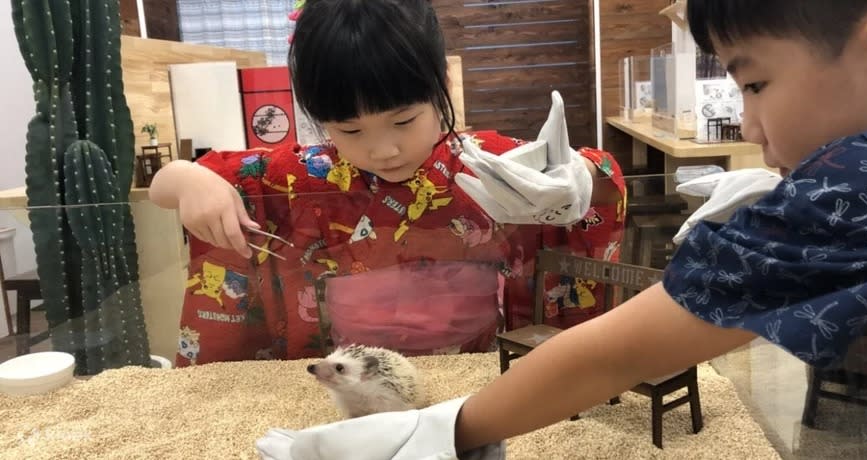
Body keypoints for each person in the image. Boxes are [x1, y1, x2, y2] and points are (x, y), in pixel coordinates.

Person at [253, 1, 867, 458]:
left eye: (753, 84)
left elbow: (618, 347)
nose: (745, 125)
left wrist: (435, 432)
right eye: (349, 130)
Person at [148, 0, 627, 366]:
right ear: (319, 119)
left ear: (440, 84)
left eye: (403, 121)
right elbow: (166, 185)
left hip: (475, 370)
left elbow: (598, 170)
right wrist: (190, 179)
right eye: (350, 130)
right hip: (348, 377)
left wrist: (577, 179)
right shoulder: (303, 176)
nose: (382, 150)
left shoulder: (485, 162)